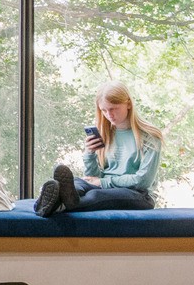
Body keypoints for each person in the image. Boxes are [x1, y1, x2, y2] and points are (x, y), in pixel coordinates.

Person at [36, 81, 162, 216]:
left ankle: (60, 205)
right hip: (106, 186)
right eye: (104, 110)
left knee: (96, 194)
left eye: (113, 108)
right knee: (78, 184)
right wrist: (89, 153)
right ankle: (48, 204)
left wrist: (102, 182)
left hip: (138, 194)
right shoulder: (105, 133)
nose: (109, 114)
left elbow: (143, 181)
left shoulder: (150, 137)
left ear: (128, 104)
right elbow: (93, 176)